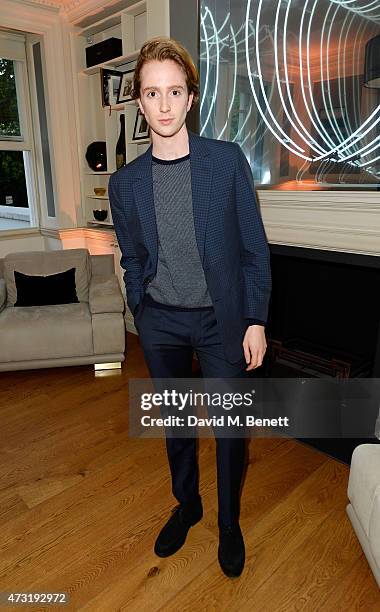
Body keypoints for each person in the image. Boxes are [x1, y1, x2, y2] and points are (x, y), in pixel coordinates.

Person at [108, 36, 272, 578]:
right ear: (139, 103)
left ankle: (228, 522)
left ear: (190, 97)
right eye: (152, 93)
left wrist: (255, 319)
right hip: (162, 322)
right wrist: (141, 310)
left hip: (222, 319)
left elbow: (253, 248)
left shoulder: (225, 162)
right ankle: (188, 504)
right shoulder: (126, 183)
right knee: (176, 424)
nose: (164, 104)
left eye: (174, 92)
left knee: (230, 430)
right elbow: (132, 255)